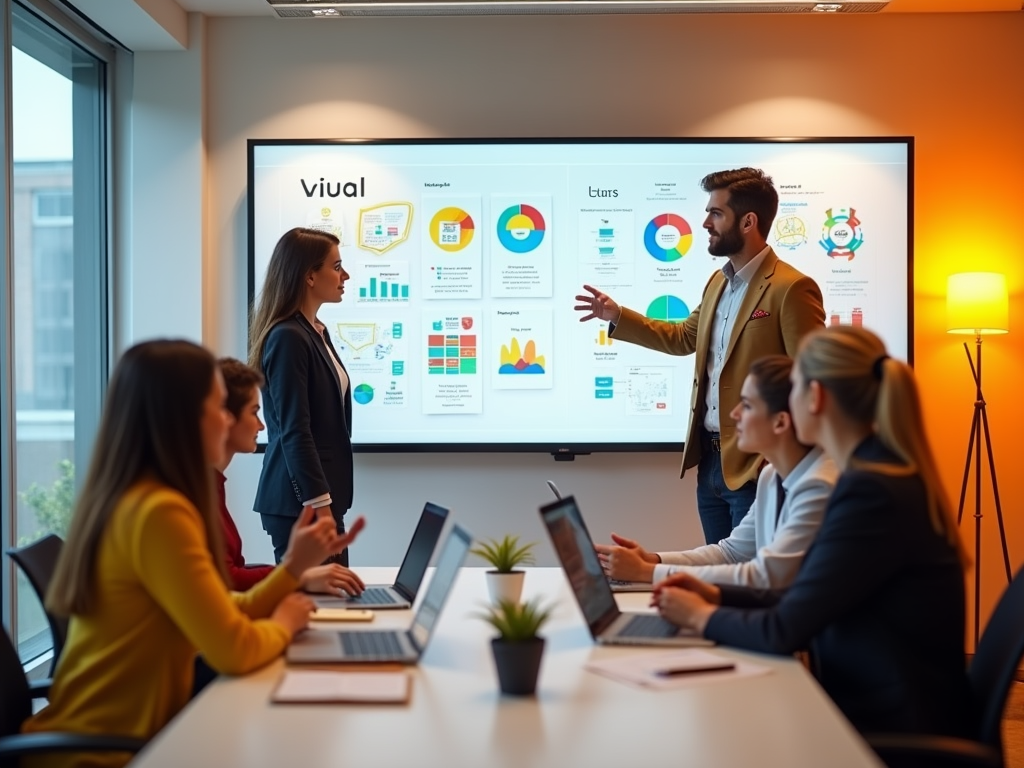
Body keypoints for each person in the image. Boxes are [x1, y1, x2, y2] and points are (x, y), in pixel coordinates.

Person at [22, 339, 364, 768]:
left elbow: (218, 608)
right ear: (184, 418)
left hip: (130, 739)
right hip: (102, 755)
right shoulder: (159, 513)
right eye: (221, 407)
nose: (230, 421)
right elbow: (233, 650)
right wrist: (284, 622)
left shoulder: (141, 498)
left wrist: (293, 569)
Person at [651, 326, 972, 739]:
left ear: (815, 397)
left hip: (892, 728)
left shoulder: (869, 491)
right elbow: (805, 594)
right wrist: (718, 594)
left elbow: (785, 628)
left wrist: (699, 615)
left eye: (796, 385)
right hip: (880, 702)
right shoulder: (876, 473)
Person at [575, 168, 825, 545]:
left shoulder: (791, 288)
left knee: (754, 584)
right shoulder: (717, 283)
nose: (705, 222)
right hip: (709, 463)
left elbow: (812, 380)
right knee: (720, 575)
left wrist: (780, 456)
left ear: (748, 221)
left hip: (757, 464)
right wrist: (618, 316)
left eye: (716, 213)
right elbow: (682, 338)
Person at [595, 355, 836, 588]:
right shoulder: (772, 476)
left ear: (780, 422)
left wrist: (645, 573)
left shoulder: (820, 484)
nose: (734, 414)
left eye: (748, 405)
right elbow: (731, 553)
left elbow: (768, 576)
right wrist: (652, 560)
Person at [249, 227, 355, 565]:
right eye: (337, 267)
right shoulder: (288, 337)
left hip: (318, 501)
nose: (345, 275)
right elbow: (296, 429)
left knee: (335, 605)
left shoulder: (314, 332)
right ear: (310, 276)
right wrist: (320, 506)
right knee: (321, 609)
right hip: (304, 504)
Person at [215, 357, 365, 595]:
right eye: (254, 412)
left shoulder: (211, 486)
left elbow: (229, 573)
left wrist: (295, 573)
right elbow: (226, 579)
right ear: (223, 418)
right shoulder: (191, 494)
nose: (262, 426)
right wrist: (295, 574)